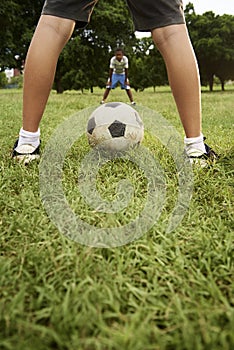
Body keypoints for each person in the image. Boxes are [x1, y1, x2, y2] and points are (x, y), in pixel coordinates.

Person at [12, 0, 216, 165]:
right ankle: (196, 148)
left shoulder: (124, 59)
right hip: (115, 75)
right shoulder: (114, 60)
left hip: (121, 75)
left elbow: (124, 68)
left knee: (54, 25)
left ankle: (27, 143)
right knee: (170, 31)